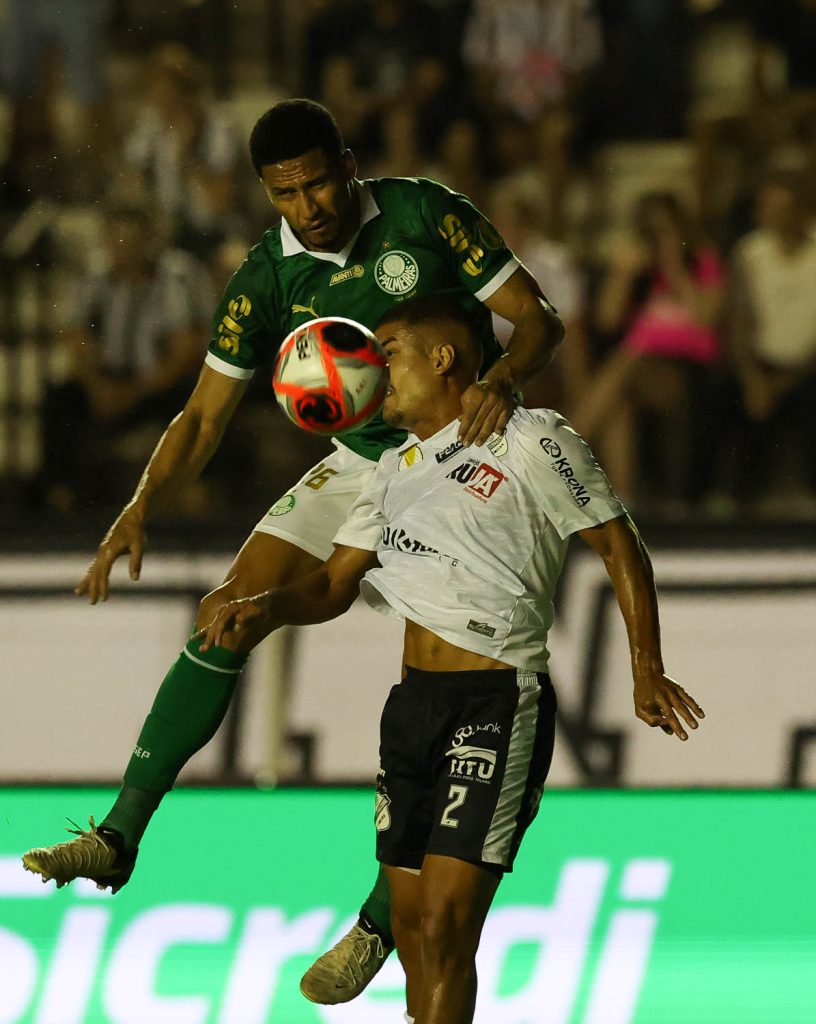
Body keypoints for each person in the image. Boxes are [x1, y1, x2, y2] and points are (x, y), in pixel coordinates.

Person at [20, 99, 564, 1004]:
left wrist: (498, 385)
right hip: (359, 466)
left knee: (440, 691)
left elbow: (538, 322)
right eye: (287, 192)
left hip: (454, 464)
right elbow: (202, 416)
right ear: (267, 191)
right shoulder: (264, 283)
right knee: (226, 611)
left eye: (318, 182)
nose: (308, 204)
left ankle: (374, 925)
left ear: (347, 165)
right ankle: (117, 835)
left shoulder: (428, 216)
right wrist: (139, 505)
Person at [195, 295, 705, 1024]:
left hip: (494, 704)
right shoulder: (393, 466)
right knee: (410, 932)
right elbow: (337, 582)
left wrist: (645, 666)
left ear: (443, 357)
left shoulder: (532, 437)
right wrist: (268, 607)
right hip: (411, 710)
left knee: (444, 925)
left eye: (391, 350)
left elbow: (619, 544)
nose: (376, 368)